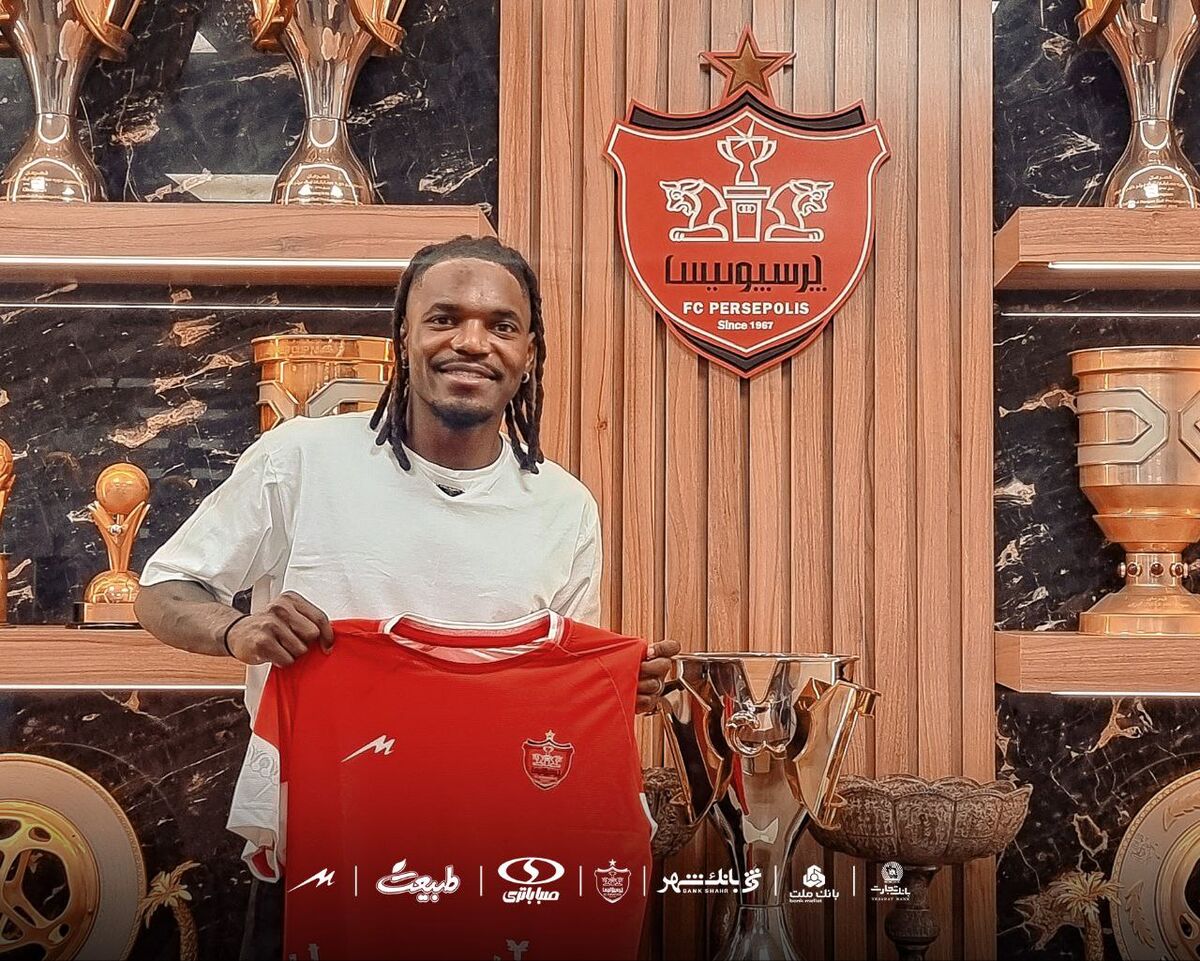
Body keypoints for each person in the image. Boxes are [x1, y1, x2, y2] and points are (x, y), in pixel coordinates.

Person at [134, 234, 678, 717]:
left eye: (502, 326)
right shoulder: (299, 458)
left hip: (485, 796)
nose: (472, 342)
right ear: (402, 337)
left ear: (528, 354)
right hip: (308, 795)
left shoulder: (564, 505)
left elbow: (556, 674)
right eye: (443, 320)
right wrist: (238, 629)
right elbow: (162, 592)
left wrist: (610, 684)